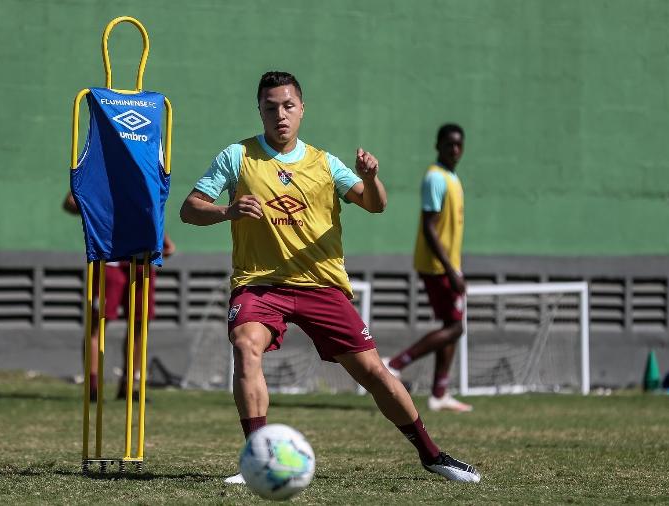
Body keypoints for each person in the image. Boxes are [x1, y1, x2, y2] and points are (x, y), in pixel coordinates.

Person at [179, 72, 480, 483]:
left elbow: (376, 205)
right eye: (271, 107)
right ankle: (259, 457)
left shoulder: (324, 163)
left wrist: (371, 177)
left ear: (302, 109)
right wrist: (227, 211)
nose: (280, 115)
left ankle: (432, 455)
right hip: (260, 285)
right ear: (260, 110)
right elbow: (190, 208)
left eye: (288, 106)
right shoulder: (237, 156)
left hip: (321, 286)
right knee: (245, 345)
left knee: (374, 372)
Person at [384, 124, 473, 413]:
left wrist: (455, 268)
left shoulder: (452, 177)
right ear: (438, 146)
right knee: (456, 326)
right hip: (436, 266)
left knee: (452, 326)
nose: (455, 149)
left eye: (459, 145)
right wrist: (450, 271)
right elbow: (429, 228)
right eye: (449, 144)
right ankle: (395, 364)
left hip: (447, 266)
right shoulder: (435, 178)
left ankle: (439, 393)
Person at [63, 192, 176, 400]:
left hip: (142, 258)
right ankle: (93, 386)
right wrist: (101, 208)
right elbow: (71, 202)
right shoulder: (102, 166)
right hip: (111, 258)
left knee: (140, 324)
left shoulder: (145, 166)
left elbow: (150, 209)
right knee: (98, 323)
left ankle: (128, 385)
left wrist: (163, 237)